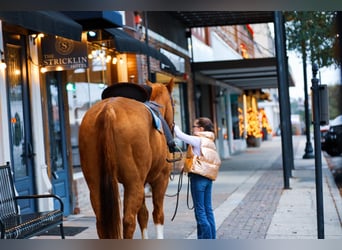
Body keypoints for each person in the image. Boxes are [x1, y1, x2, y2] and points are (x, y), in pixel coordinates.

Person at [173, 117, 221, 239]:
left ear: (201, 128)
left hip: (198, 178)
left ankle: (205, 239)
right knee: (208, 209)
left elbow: (179, 135)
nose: (192, 128)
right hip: (208, 178)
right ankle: (211, 238)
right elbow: (201, 158)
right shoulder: (210, 141)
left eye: (194, 126)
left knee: (200, 211)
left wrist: (173, 123)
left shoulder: (198, 139)